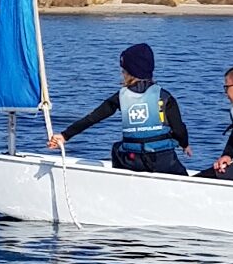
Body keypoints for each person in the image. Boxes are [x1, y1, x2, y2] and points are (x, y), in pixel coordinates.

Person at [50, 41, 190, 173]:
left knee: (118, 147)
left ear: (130, 73)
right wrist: (185, 145)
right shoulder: (165, 96)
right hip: (162, 160)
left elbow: (92, 118)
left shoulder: (121, 96)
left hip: (132, 160)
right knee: (181, 172)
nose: (122, 74)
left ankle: (120, 179)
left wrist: (64, 136)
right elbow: (179, 130)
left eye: (124, 71)